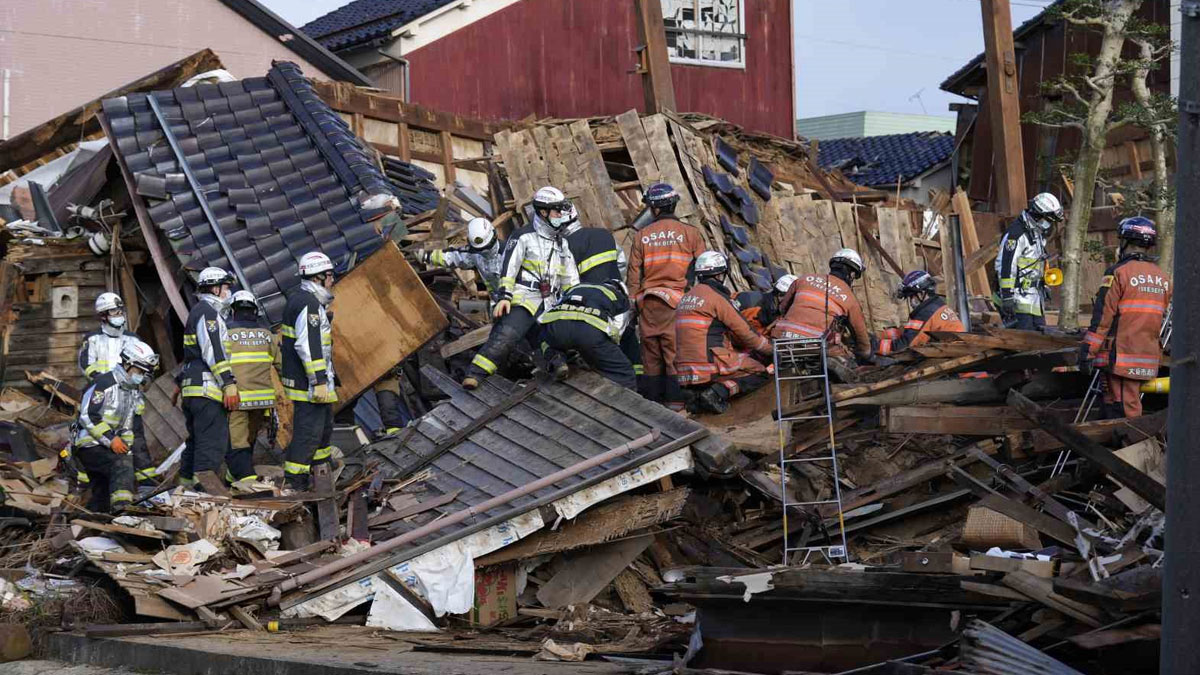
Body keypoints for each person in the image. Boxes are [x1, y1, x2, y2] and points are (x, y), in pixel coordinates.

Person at [463, 186, 578, 389]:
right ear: (543, 212)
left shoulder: (561, 243)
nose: (561, 215)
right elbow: (509, 268)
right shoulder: (523, 236)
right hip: (524, 297)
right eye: (557, 211)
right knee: (507, 334)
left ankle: (558, 366)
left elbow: (569, 277)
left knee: (548, 338)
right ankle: (475, 374)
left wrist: (575, 299)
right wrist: (505, 296)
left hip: (550, 300)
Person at [1079, 217, 1171, 418]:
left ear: (1125, 242)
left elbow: (1102, 318)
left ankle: (1131, 448)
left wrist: (1087, 352)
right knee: (1129, 405)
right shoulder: (1163, 278)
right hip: (1148, 358)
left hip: (1120, 358)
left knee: (1121, 412)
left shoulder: (1118, 273)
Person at [627, 183, 706, 409]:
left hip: (649, 303)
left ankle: (653, 404)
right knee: (673, 353)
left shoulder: (641, 236)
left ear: (655, 209)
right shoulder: (691, 233)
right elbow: (701, 268)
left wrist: (634, 303)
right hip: (677, 302)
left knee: (650, 355)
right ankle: (675, 401)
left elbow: (634, 275)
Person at [674, 251, 773, 414]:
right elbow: (746, 334)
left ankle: (696, 396)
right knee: (760, 371)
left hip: (684, 369)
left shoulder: (685, 298)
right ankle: (718, 392)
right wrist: (771, 349)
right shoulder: (717, 298)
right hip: (709, 364)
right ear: (721, 274)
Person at [75, 293, 157, 487]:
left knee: (136, 440)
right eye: (114, 311)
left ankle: (145, 483)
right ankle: (87, 484)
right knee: (92, 440)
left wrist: (140, 381)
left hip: (129, 399)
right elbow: (86, 365)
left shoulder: (133, 339)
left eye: (120, 310)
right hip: (101, 399)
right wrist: (105, 384)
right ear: (103, 315)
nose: (119, 314)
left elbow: (146, 366)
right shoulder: (93, 339)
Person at [72, 340, 158, 513]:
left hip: (105, 445)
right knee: (121, 463)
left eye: (144, 373)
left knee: (102, 491)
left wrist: (127, 446)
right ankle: (123, 510)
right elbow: (88, 415)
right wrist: (112, 440)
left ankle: (94, 520)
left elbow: (127, 425)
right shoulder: (104, 383)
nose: (141, 376)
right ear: (127, 364)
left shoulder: (131, 391)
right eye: (139, 371)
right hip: (89, 444)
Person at [281, 252, 338, 490]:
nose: (332, 280)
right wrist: (320, 381)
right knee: (308, 435)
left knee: (322, 432)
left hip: (307, 382)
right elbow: (309, 346)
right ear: (319, 277)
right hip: (310, 385)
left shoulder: (300, 299)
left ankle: (321, 473)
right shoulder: (309, 304)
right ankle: (295, 484)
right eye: (330, 275)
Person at [772, 249, 872, 382]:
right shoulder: (849, 297)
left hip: (781, 341)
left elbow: (783, 308)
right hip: (815, 345)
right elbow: (861, 337)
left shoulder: (803, 279)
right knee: (850, 366)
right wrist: (865, 354)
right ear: (852, 274)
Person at [179, 267, 239, 490]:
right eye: (226, 287)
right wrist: (229, 383)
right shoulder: (208, 313)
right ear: (215, 289)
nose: (228, 292)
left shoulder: (197, 311)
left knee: (195, 443)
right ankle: (204, 494)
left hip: (193, 391)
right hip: (207, 390)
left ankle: (185, 490)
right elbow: (213, 350)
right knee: (211, 444)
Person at [224, 290, 279, 486]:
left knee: (238, 441)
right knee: (250, 437)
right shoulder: (267, 335)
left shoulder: (226, 334)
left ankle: (247, 481)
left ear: (233, 310)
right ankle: (233, 475)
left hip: (237, 399)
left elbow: (217, 365)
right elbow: (280, 365)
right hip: (263, 400)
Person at [538, 280, 636, 389]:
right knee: (624, 371)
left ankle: (557, 359)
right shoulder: (619, 297)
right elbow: (617, 331)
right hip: (589, 333)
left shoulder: (576, 287)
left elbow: (550, 309)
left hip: (557, 326)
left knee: (544, 339)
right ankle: (625, 404)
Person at [997, 192, 1064, 330]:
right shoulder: (1017, 234)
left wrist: (1043, 285)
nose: (1050, 224)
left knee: (1039, 341)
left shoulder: (1035, 232)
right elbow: (1006, 266)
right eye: (1049, 219)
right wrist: (1007, 296)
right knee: (1024, 344)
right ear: (1038, 215)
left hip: (1034, 300)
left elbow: (1036, 263)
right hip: (1018, 300)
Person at [877, 270, 965, 355]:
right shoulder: (938, 304)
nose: (911, 302)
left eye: (911, 296)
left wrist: (874, 346)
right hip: (957, 349)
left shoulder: (925, 313)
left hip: (948, 355)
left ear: (921, 294)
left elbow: (904, 347)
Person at [422, 217, 507, 304]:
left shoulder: (510, 255)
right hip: (498, 302)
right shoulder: (476, 254)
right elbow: (455, 257)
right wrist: (427, 256)